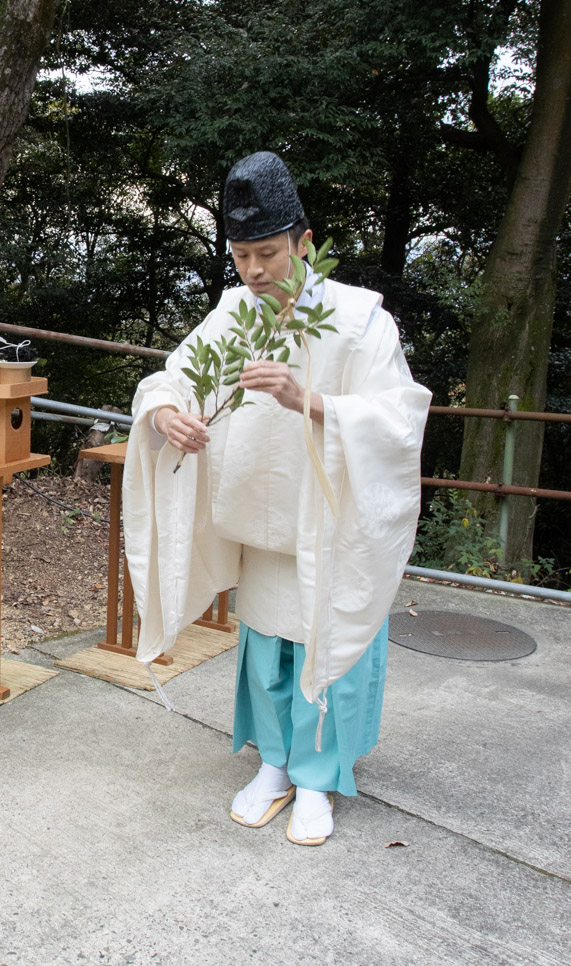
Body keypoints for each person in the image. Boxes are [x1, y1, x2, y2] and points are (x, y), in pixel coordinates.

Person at [123, 151, 430, 845]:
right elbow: (173, 377)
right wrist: (167, 412)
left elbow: (399, 417)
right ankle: (273, 764)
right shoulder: (233, 314)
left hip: (328, 520)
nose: (254, 270)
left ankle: (319, 779)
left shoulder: (357, 320)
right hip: (258, 520)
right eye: (240, 255)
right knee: (265, 649)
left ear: (302, 241)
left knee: (325, 647)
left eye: (267, 252)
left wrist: (311, 401)